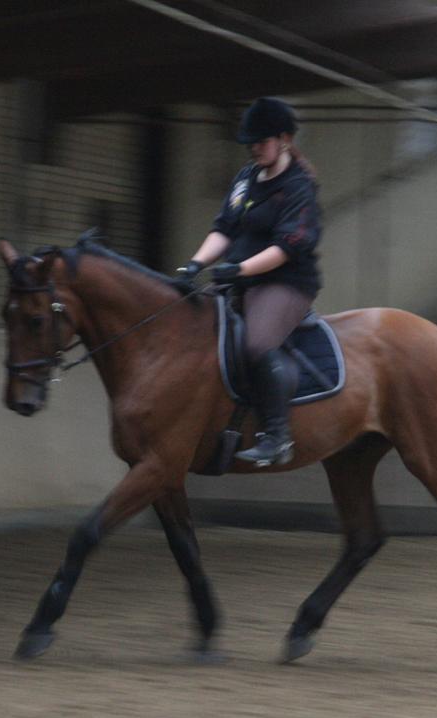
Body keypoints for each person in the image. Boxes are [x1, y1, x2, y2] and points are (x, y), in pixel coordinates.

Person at [177, 97, 322, 467]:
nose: (254, 148)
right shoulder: (245, 179)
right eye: (250, 143)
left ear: (284, 139)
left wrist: (239, 269)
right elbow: (224, 229)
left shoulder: (298, 187)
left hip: (285, 282)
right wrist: (194, 264)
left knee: (256, 343)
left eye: (261, 141)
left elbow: (287, 247)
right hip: (240, 279)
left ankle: (277, 436)